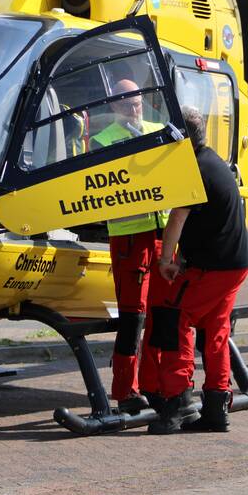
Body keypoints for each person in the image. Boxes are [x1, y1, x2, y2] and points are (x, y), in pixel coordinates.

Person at [147, 106, 248, 434]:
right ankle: (216, 407)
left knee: (175, 319)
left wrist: (167, 260)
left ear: (180, 138)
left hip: (217, 267)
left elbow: (177, 218)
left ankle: (178, 403)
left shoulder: (194, 170)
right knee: (215, 330)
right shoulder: (213, 162)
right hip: (235, 263)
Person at [90, 79, 168, 414]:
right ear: (113, 107)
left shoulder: (159, 129)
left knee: (162, 316)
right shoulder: (101, 141)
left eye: (136, 102)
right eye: (125, 104)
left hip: (163, 236)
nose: (133, 109)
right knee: (133, 318)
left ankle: (158, 383)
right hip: (130, 241)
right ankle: (126, 390)